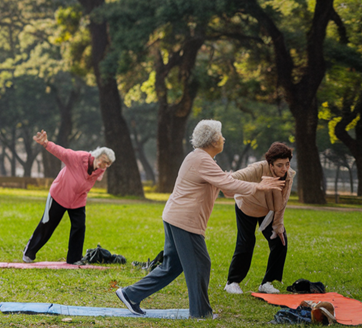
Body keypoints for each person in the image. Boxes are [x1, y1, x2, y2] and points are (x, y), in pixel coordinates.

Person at [115, 120, 285, 319]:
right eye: (221, 136)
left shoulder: (203, 159)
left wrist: (254, 184)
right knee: (200, 263)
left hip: (175, 217)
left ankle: (130, 294)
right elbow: (226, 182)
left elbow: (227, 188)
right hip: (184, 221)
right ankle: (201, 313)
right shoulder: (201, 160)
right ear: (213, 140)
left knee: (172, 266)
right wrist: (258, 186)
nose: (223, 139)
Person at [22, 130, 114, 264]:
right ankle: (29, 252)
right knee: (47, 225)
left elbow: (94, 177)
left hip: (78, 200)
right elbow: (62, 152)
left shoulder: (101, 168)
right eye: (104, 162)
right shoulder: (77, 158)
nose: (104, 166)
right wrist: (46, 143)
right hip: (59, 195)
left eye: (108, 164)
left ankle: (74, 258)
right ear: (97, 156)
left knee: (79, 226)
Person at [224, 142, 294, 295]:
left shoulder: (288, 177)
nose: (284, 169)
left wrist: (278, 226)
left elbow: (282, 203)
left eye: (287, 164)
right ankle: (232, 282)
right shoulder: (256, 169)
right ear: (271, 164)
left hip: (267, 211)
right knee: (246, 242)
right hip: (247, 206)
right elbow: (231, 178)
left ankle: (267, 283)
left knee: (280, 241)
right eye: (280, 165)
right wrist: (256, 185)